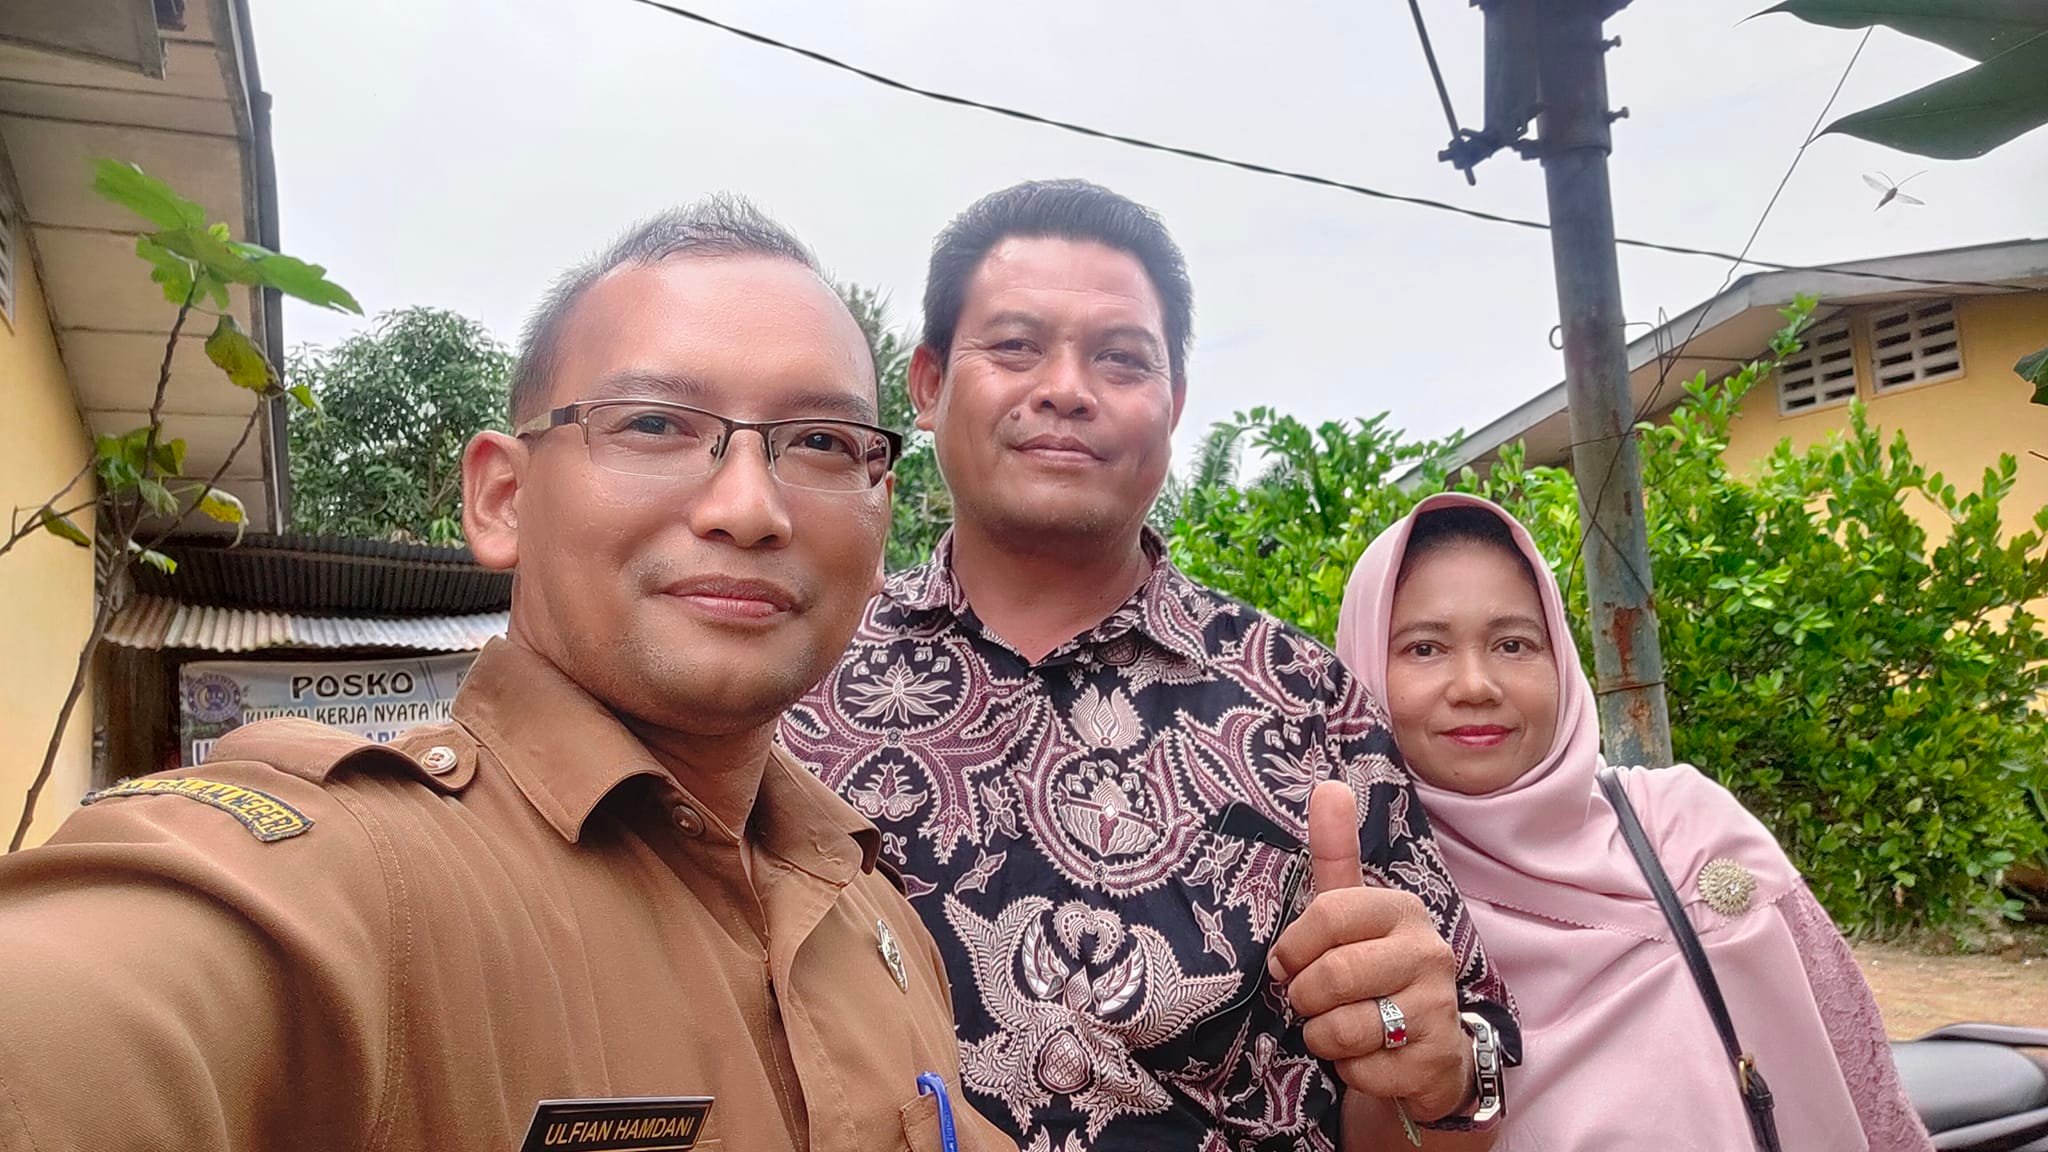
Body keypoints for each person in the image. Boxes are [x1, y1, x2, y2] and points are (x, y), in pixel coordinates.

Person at [0, 198, 1013, 1152]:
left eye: (823, 443)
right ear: (501, 499)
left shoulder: (872, 913)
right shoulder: (352, 882)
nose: (750, 509)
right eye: (654, 424)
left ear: (881, 524)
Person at [784, 179, 1516, 1152]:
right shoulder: (797, 683)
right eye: (1015, 347)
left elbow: (1455, 1095)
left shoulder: (1305, 704)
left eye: (1120, 358)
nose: (1065, 388)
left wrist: (1434, 1068)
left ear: (1173, 404)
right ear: (926, 385)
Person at [1335, 492, 1933, 1151]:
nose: (1476, 684)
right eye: (1424, 648)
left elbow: (1854, 1068)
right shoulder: (1348, 904)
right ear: (1362, 667)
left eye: (1513, 644)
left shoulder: (1684, 829)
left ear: (1561, 660)